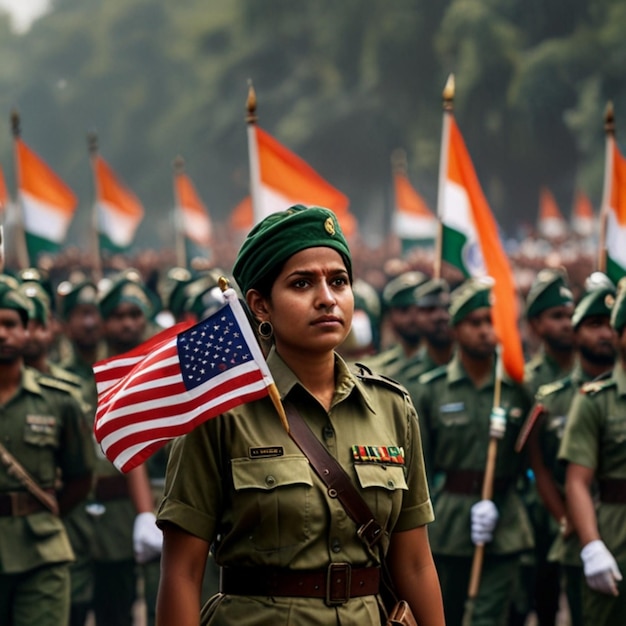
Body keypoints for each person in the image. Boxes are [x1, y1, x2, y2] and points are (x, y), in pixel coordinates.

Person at [156, 205, 445, 626]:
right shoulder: (221, 413)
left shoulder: (391, 408)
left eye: (339, 281)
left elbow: (415, 563)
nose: (327, 298)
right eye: (302, 283)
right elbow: (181, 573)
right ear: (260, 305)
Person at [413, 276, 534, 626]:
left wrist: (510, 495)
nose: (485, 331)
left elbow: (530, 455)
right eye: (475, 322)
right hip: (449, 521)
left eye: (491, 322)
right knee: (445, 614)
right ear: (455, 328)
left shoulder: (516, 389)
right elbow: (423, 466)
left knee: (487, 618)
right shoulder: (432, 391)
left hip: (505, 518)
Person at [523, 273, 617, 626]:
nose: (605, 334)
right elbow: (537, 465)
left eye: (611, 324)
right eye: (594, 324)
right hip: (563, 522)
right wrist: (564, 516)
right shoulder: (552, 394)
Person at [0, 274, 94, 626]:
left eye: (11, 324)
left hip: (41, 552)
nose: (2, 334)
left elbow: (80, 477)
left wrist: (40, 514)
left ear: (27, 331)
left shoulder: (59, 401)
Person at [559, 276, 626, 625]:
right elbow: (577, 481)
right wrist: (592, 545)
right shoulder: (594, 400)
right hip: (615, 531)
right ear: (620, 336)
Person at [514, 267, 576, 626]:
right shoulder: (526, 382)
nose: (566, 324)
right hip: (537, 508)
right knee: (541, 600)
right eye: (556, 316)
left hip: (587, 500)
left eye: (570, 315)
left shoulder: (592, 377)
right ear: (536, 326)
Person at [363, 270, 428, 379]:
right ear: (391, 317)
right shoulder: (378, 369)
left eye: (420, 309)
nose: (413, 317)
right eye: (404, 310)